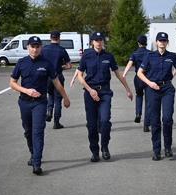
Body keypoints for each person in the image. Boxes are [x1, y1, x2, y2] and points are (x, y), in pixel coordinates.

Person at [9, 36, 70, 175]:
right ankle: (32, 153)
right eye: (32, 46)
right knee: (28, 131)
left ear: (40, 48)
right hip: (24, 102)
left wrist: (65, 97)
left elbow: (56, 83)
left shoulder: (47, 64)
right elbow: (12, 83)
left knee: (38, 131)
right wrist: (26, 90)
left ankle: (37, 162)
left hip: (40, 103)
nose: (35, 49)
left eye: (37, 46)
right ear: (28, 47)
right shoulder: (21, 63)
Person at [77, 32, 133, 162]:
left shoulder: (108, 56)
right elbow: (80, 75)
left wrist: (128, 89)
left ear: (103, 41)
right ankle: (95, 151)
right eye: (96, 40)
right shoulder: (86, 56)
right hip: (90, 92)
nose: (98, 42)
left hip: (105, 92)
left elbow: (118, 74)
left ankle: (105, 147)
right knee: (91, 124)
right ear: (92, 42)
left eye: (100, 40)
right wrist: (90, 90)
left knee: (105, 121)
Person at [137, 32, 176, 161]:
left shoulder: (171, 57)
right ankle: (156, 150)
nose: (162, 42)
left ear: (167, 42)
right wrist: (150, 83)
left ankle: (167, 147)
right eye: (160, 40)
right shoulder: (150, 56)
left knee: (167, 119)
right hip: (153, 90)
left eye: (164, 40)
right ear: (156, 42)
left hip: (167, 89)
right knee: (155, 121)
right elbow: (140, 73)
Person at [40, 30, 72, 129]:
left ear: (50, 38)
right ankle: (56, 122)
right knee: (58, 98)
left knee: (50, 95)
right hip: (58, 75)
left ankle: (49, 111)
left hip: (48, 76)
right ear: (59, 38)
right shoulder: (62, 50)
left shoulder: (44, 50)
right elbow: (69, 66)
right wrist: (62, 67)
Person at [123, 34, 151, 132]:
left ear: (138, 43)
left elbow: (130, 64)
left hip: (138, 77)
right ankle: (146, 125)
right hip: (148, 77)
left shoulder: (134, 53)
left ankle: (138, 113)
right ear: (146, 42)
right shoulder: (150, 53)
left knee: (139, 95)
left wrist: (124, 74)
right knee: (148, 101)